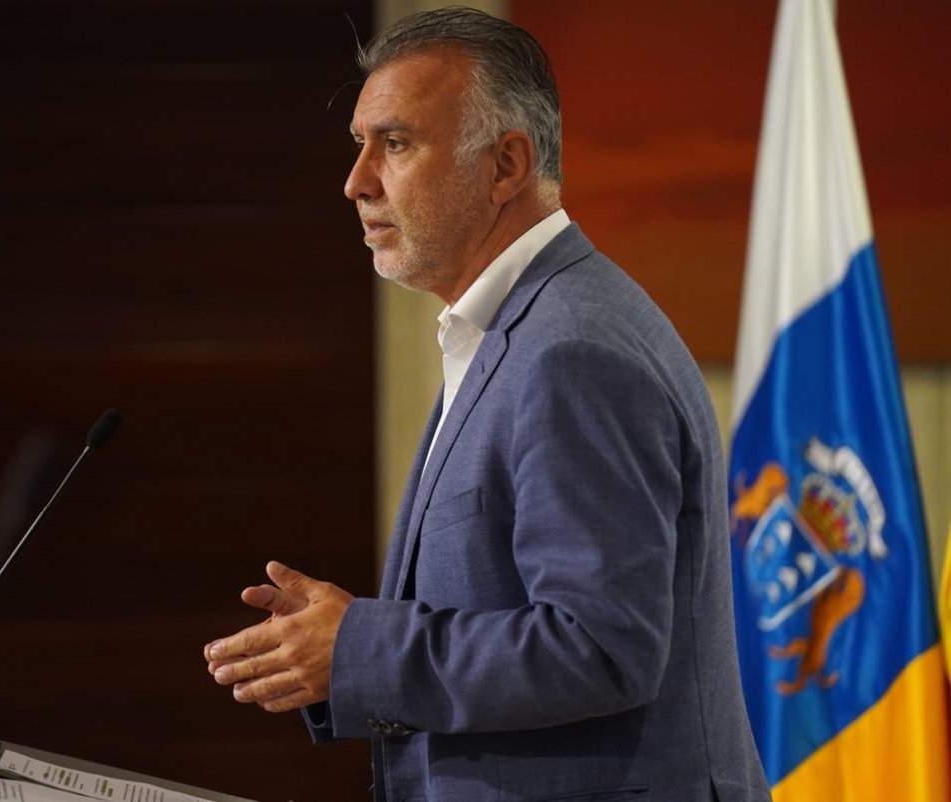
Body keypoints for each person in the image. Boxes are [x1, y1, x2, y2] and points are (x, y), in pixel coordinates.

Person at [204, 7, 769, 801]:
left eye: (395, 144)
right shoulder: (516, 329)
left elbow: (601, 646)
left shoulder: (572, 351)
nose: (356, 181)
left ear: (505, 166)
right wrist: (340, 647)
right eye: (359, 144)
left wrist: (359, 649)